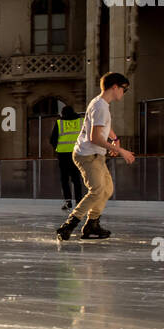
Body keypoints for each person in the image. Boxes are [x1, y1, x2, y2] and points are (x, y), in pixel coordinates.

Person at [57, 73, 135, 241]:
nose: (124, 92)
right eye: (124, 89)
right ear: (115, 87)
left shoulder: (100, 104)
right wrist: (120, 151)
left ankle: (92, 225)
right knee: (98, 190)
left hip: (95, 155)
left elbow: (103, 127)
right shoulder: (100, 106)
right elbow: (95, 137)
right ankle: (69, 224)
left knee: (107, 189)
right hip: (87, 155)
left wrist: (115, 139)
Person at [49, 106, 84, 210]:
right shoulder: (81, 121)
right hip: (78, 153)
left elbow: (52, 140)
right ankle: (79, 202)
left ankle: (68, 202)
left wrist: (57, 149)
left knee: (64, 179)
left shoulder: (60, 123)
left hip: (63, 154)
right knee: (76, 178)